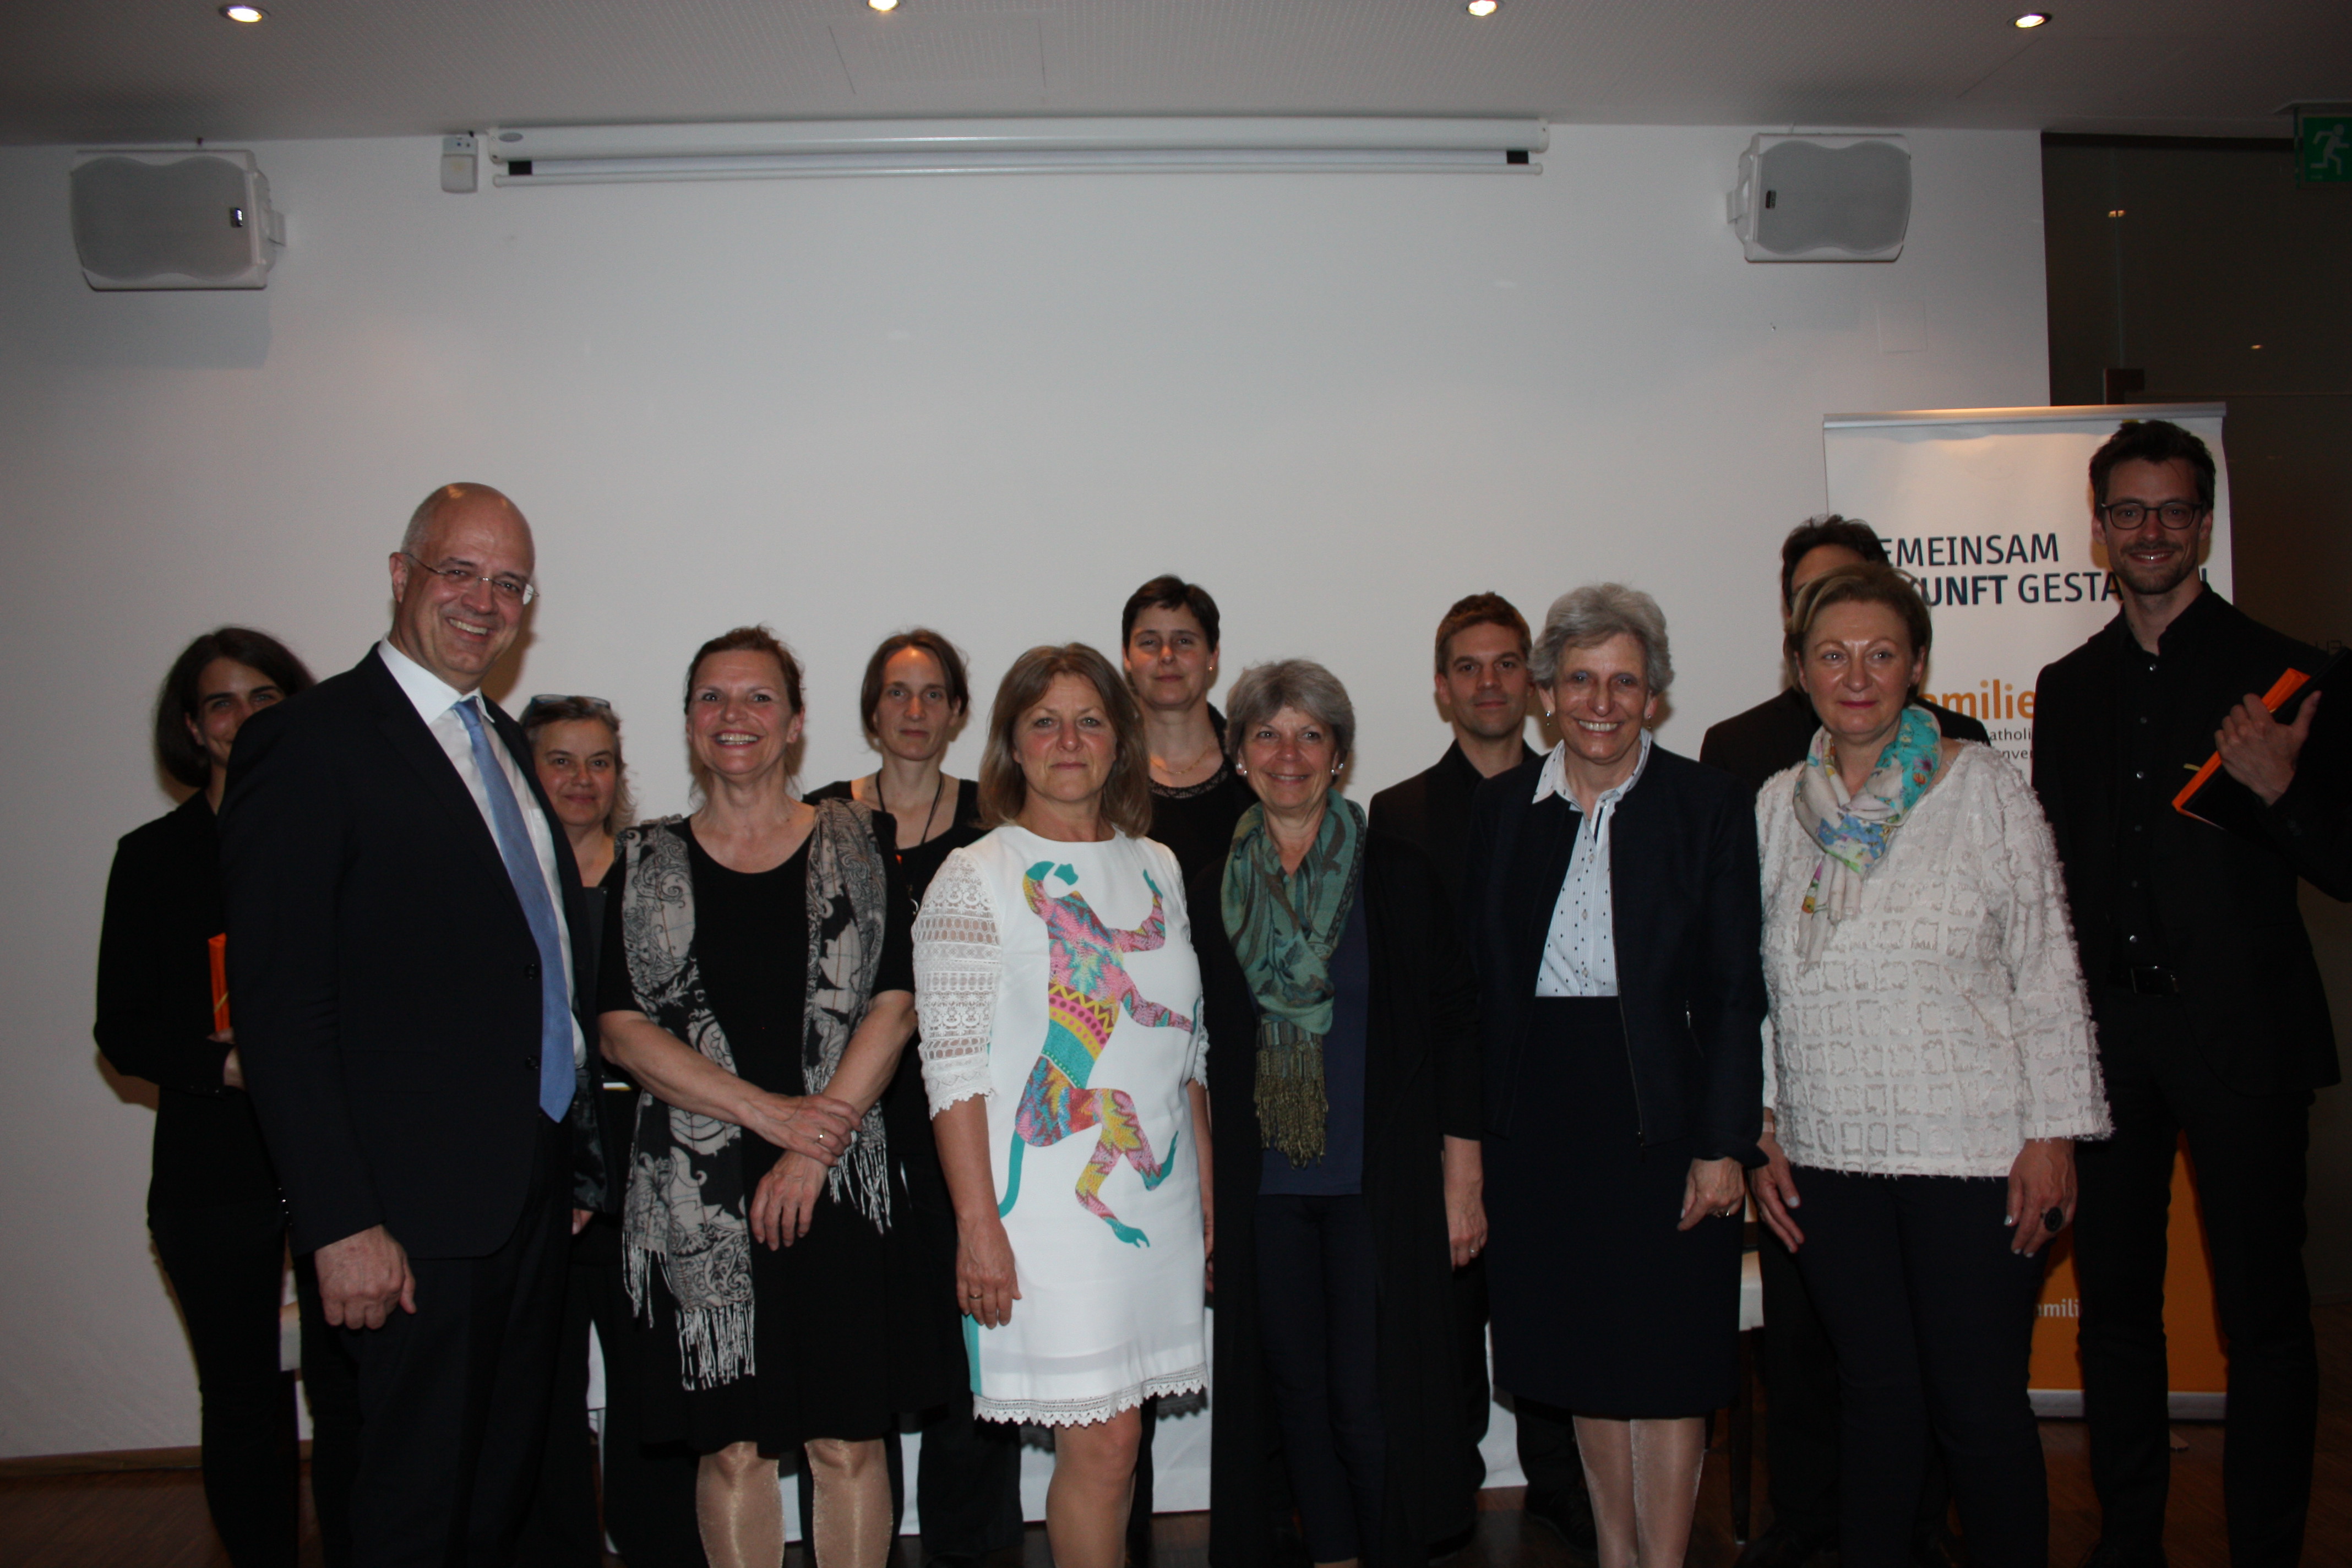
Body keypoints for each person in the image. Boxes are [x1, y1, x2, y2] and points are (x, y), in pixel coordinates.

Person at [219, 483, 607, 1568]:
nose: (485, 602)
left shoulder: (511, 746)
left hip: (527, 1197)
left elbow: (539, 967)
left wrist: (571, 1157)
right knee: (411, 1507)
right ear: (401, 574)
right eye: (459, 572)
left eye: (510, 583)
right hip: (404, 1218)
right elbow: (282, 1005)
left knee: (498, 1498)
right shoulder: (309, 743)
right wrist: (340, 1218)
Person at [2032, 418, 2351, 1568]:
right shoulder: (2067, 687)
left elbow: (2345, 862)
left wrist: (2281, 790)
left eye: (2172, 509)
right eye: (2129, 511)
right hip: (2109, 1041)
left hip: (2245, 1040)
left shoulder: (2291, 674)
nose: (2151, 530)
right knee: (2116, 1312)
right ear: (2100, 528)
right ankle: (2128, 1541)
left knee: (2264, 1318)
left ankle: (2266, 1547)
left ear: (2205, 524)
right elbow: (2054, 876)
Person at [1754, 562, 2109, 1568]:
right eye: (1832, 655)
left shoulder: (1983, 787)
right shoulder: (1777, 806)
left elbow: (2047, 965)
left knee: (1975, 1402)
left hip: (1975, 1154)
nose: (1855, 676)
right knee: (1874, 1397)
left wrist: (2053, 1134)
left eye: (1880, 654)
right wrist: (1762, 1120)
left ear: (1916, 666)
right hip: (1829, 1152)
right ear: (1799, 669)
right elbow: (1760, 983)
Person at [597, 627, 961, 1568]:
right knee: (731, 1448)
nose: (735, 715)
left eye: (758, 697)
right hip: (700, 1198)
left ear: (795, 723)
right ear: (689, 721)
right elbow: (622, 1029)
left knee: (847, 1440)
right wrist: (766, 1114)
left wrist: (809, 1145)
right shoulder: (644, 860)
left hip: (836, 1180)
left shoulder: (860, 839)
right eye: (712, 697)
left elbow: (894, 1004)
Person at [1698, 517, 1987, 1568]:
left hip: (1942, 1120)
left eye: (1866, 626)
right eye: (1818, 616)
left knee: (1938, 1361)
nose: (1851, 664)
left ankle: (1921, 1526)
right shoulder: (1744, 756)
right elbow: (1740, 953)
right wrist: (1756, 1108)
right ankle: (1809, 1518)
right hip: (1810, 1117)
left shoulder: (1963, 755)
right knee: (1808, 1344)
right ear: (1793, 626)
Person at [1462, 584, 1763, 1568]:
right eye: (1582, 680)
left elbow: (1734, 990)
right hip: (1543, 1122)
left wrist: (1723, 1142)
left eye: (1624, 682)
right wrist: (1472, 1149)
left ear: (1653, 696)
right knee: (1588, 1359)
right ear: (1547, 693)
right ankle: (1616, 1555)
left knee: (1668, 1365)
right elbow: (1480, 987)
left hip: (1666, 1114)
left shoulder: (1707, 805)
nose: (1602, 702)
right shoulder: (1503, 810)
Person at [911, 643, 1213, 1568]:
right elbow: (951, 1073)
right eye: (1045, 722)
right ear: (1012, 744)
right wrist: (978, 1227)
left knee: (1124, 1445)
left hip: (1158, 1203)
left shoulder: (1158, 864)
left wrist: (1207, 1193)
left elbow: (1188, 1051)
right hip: (1043, 1219)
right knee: (1105, 1445)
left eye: (1089, 720)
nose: (1069, 740)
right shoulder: (978, 874)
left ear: (1121, 740)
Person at [1196, 659, 1482, 1568]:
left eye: (1310, 735)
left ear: (1340, 755)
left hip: (1375, 1185)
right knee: (1295, 1397)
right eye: (1268, 734)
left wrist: (1463, 1178)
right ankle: (1330, 1553)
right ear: (1240, 754)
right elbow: (1190, 1053)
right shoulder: (1208, 886)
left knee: (1367, 1397)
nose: (1289, 754)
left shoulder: (1396, 873)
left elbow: (1455, 1027)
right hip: (1265, 1190)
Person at [95, 627, 357, 1568]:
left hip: (336, 1159)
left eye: (264, 697)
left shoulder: (344, 840)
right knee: (242, 1397)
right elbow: (122, 1030)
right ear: (192, 727)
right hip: (212, 1167)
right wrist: (234, 1067)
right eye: (220, 702)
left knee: (351, 1393)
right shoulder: (152, 857)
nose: (243, 717)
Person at [1368, 592, 1592, 1555]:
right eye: (1468, 666)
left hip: (1553, 1101)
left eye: (1506, 663)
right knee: (1446, 1317)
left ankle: (1561, 1485)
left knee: (1549, 1305)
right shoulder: (1398, 812)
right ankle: (1445, 1489)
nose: (1488, 682)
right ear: (1440, 686)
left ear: (1533, 683)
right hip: (1440, 1107)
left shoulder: (1582, 793)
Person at [810, 630, 1022, 1568]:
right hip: (851, 1115)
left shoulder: (995, 821)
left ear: (959, 713)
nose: (914, 710)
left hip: (963, 1114)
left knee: (968, 1350)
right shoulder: (819, 820)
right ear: (871, 710)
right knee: (860, 1351)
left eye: (934, 693)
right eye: (897, 692)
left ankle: (968, 1551)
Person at [514, 696, 707, 1568]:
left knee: (652, 1390)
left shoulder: (655, 873)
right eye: (561, 760)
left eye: (600, 762)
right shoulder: (502, 879)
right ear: (526, 772)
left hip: (650, 1170)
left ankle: (659, 1547)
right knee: (542, 1396)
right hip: (543, 1175)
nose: (582, 779)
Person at [1123, 574, 1256, 882]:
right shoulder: (1103, 769)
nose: (1167, 656)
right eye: (1149, 642)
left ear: (1212, 655)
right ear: (1127, 657)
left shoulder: (1256, 766)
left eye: (1184, 641)